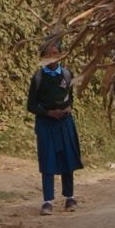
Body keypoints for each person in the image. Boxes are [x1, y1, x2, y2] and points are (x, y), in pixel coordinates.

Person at [27, 36, 82, 214]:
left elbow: (70, 97)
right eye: (49, 54)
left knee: (68, 158)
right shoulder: (38, 78)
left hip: (64, 123)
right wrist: (48, 113)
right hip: (46, 124)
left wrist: (67, 109)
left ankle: (70, 198)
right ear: (43, 56)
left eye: (56, 53)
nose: (53, 57)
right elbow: (31, 105)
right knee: (48, 160)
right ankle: (48, 201)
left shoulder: (67, 74)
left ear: (61, 56)